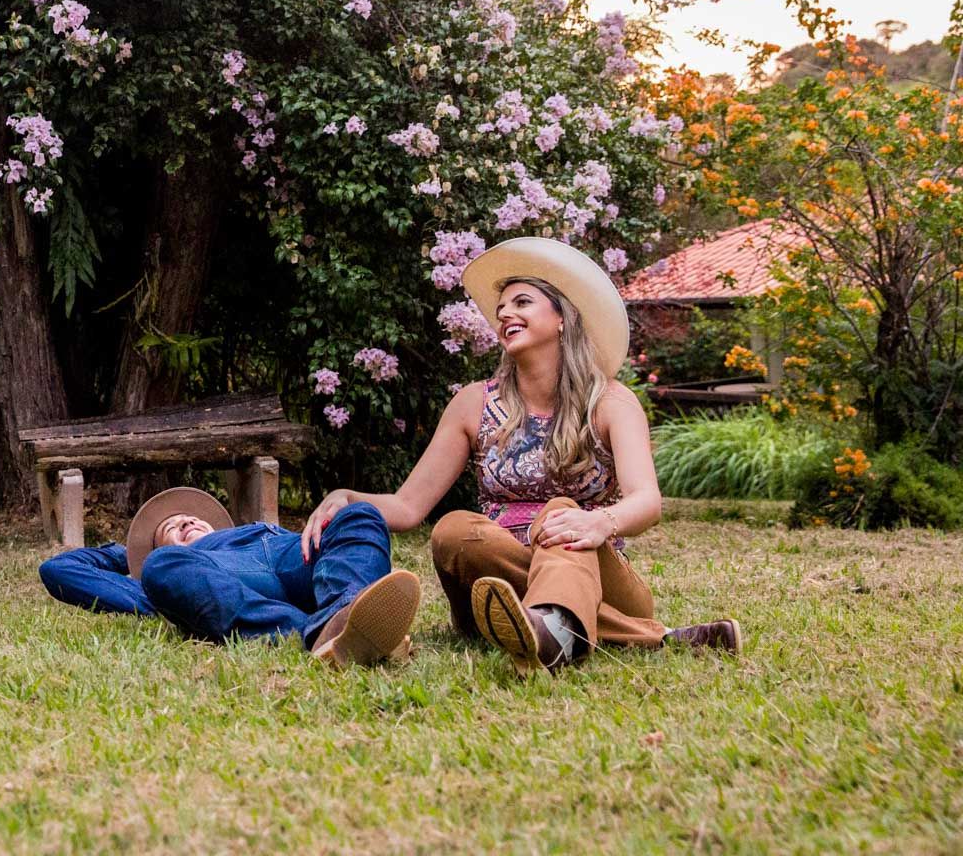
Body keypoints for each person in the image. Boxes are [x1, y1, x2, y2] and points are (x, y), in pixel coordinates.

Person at [299, 236, 743, 676]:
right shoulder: (474, 403)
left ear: (563, 318)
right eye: (502, 309)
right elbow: (409, 506)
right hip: (496, 582)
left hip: (597, 569)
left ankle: (554, 625)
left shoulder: (610, 401)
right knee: (453, 529)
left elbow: (647, 501)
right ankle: (617, 634)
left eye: (523, 303)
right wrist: (347, 495)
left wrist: (598, 522)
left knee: (559, 513)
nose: (506, 314)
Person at [39, 485, 421, 666]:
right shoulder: (167, 570)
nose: (185, 520)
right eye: (170, 527)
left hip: (297, 556)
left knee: (360, 514)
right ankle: (334, 631)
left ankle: (349, 608)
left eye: (189, 517)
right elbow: (59, 570)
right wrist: (137, 556)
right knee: (163, 568)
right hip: (230, 579)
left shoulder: (254, 530)